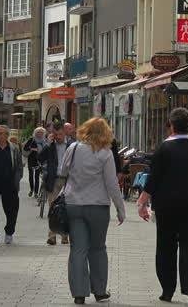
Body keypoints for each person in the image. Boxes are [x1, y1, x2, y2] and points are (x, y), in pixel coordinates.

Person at [137, 108, 188, 306]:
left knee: (166, 247)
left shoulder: (163, 149)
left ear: (171, 126)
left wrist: (142, 202)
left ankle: (167, 289)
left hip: (168, 206)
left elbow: (153, 178)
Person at [63, 118, 126, 305]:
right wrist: (120, 209)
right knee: (98, 248)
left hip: (74, 204)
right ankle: (99, 291)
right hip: (98, 206)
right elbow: (112, 184)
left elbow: (62, 170)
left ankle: (79, 294)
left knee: (78, 249)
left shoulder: (72, 148)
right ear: (106, 133)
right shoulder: (105, 153)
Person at [41, 123, 73, 245]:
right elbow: (40, 158)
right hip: (53, 180)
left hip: (68, 180)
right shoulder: (50, 146)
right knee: (53, 209)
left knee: (67, 208)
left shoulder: (72, 145)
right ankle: (52, 236)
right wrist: (47, 144)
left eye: (60, 134)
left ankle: (65, 236)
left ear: (65, 133)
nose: (58, 137)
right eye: (55, 134)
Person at [23, 127, 48, 198]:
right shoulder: (32, 140)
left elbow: (47, 150)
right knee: (31, 175)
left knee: (37, 176)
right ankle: (31, 189)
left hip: (39, 161)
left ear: (43, 134)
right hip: (31, 159)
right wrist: (32, 148)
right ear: (35, 133)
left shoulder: (44, 141)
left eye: (41, 132)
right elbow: (25, 148)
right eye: (38, 132)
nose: (39, 134)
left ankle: (36, 192)